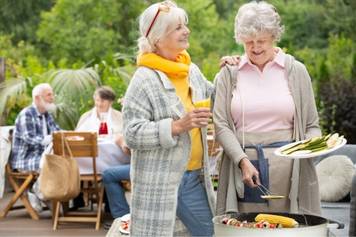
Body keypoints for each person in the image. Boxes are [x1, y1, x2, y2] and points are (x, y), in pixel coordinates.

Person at [214, 1, 322, 216]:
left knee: (289, 226)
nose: (255, 47)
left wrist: (310, 151)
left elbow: (312, 125)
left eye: (261, 41)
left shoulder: (296, 71)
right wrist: (243, 162)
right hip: (242, 168)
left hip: (290, 169)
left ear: (274, 37)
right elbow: (221, 125)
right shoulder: (229, 74)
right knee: (245, 227)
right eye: (248, 42)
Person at [122, 1, 215, 236]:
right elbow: (132, 134)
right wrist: (177, 126)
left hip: (196, 174)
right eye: (177, 28)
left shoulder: (189, 69)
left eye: (185, 25)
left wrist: (230, 70)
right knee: (212, 232)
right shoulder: (144, 79)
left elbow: (213, 94)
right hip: (168, 179)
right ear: (157, 39)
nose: (187, 31)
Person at [76, 86, 131, 219]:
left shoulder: (119, 116)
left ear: (110, 102)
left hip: (109, 153)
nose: (99, 104)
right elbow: (77, 134)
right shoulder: (87, 116)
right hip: (88, 159)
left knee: (110, 170)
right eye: (97, 100)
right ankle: (76, 201)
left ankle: (110, 205)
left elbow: (124, 136)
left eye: (102, 101)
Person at [11, 83, 61, 211]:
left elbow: (58, 132)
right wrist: (49, 138)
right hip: (26, 158)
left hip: (42, 155)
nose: (52, 97)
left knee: (61, 160)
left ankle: (42, 192)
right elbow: (29, 138)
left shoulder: (47, 114)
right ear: (38, 98)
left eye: (52, 94)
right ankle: (41, 192)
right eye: (49, 94)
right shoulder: (26, 114)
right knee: (53, 163)